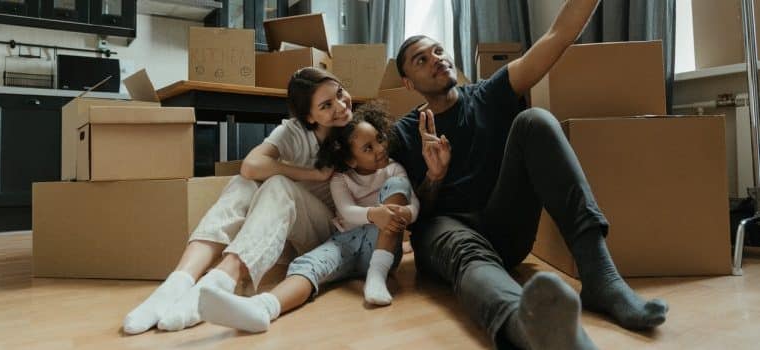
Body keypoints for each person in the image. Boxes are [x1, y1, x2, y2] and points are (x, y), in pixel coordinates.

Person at [390, 1, 668, 349]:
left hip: (503, 230)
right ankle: (527, 326)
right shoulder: (403, 134)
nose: (437, 60)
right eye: (421, 60)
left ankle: (601, 278)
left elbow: (558, 35)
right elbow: (417, 218)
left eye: (438, 51)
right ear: (407, 83)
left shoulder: (488, 95)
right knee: (458, 244)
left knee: (534, 121)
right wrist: (435, 177)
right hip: (448, 236)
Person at [122, 67, 354, 334]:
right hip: (286, 231)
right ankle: (179, 280)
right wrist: (312, 174)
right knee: (244, 182)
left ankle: (222, 278)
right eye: (326, 105)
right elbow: (251, 165)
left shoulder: (357, 130)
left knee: (278, 184)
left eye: (339, 93)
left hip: (328, 235)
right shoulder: (294, 131)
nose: (340, 105)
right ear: (309, 117)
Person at [198, 102, 419, 332]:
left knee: (398, 185)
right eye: (368, 148)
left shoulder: (394, 169)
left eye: (379, 139)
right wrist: (373, 214)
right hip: (345, 240)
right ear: (351, 160)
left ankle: (377, 275)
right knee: (308, 265)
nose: (380, 148)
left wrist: (408, 213)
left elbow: (413, 202)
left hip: (381, 243)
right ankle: (264, 307)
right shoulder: (340, 179)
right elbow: (346, 212)